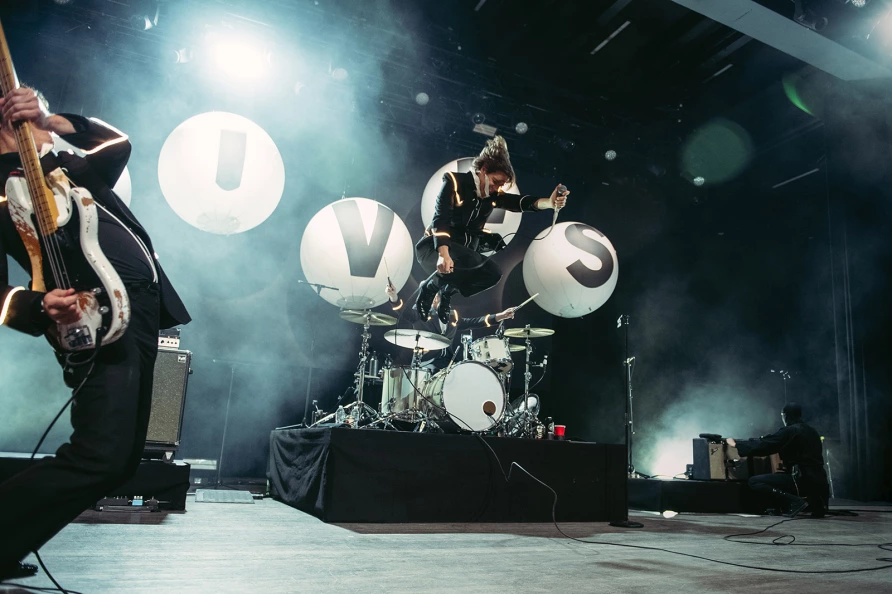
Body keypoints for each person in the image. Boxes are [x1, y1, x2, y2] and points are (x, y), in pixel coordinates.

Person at [0, 87, 190, 581]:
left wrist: (52, 119)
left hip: (141, 309)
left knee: (121, 461)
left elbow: (118, 145)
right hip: (91, 319)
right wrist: (40, 305)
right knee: (98, 455)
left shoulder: (58, 163)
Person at [414, 135, 568, 323]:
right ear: (484, 170)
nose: (497, 188)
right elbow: (441, 219)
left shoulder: (492, 196)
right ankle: (428, 288)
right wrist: (443, 254)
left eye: (501, 185)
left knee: (492, 274)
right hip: (434, 249)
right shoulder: (454, 182)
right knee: (470, 258)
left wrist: (549, 203)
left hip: (463, 257)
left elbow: (519, 202)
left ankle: (446, 294)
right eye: (495, 181)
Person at [727, 403, 830, 518]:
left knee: (754, 481)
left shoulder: (791, 431)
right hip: (820, 482)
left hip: (802, 479)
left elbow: (765, 445)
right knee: (778, 476)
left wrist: (736, 444)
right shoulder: (812, 431)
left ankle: (795, 501)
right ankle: (807, 503)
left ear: (784, 416)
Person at [386, 281, 514, 372]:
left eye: (436, 294)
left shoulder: (452, 315)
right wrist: (394, 297)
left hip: (448, 362)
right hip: (426, 362)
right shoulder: (420, 313)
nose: (434, 297)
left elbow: (475, 321)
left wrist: (500, 316)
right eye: (429, 294)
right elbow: (404, 312)